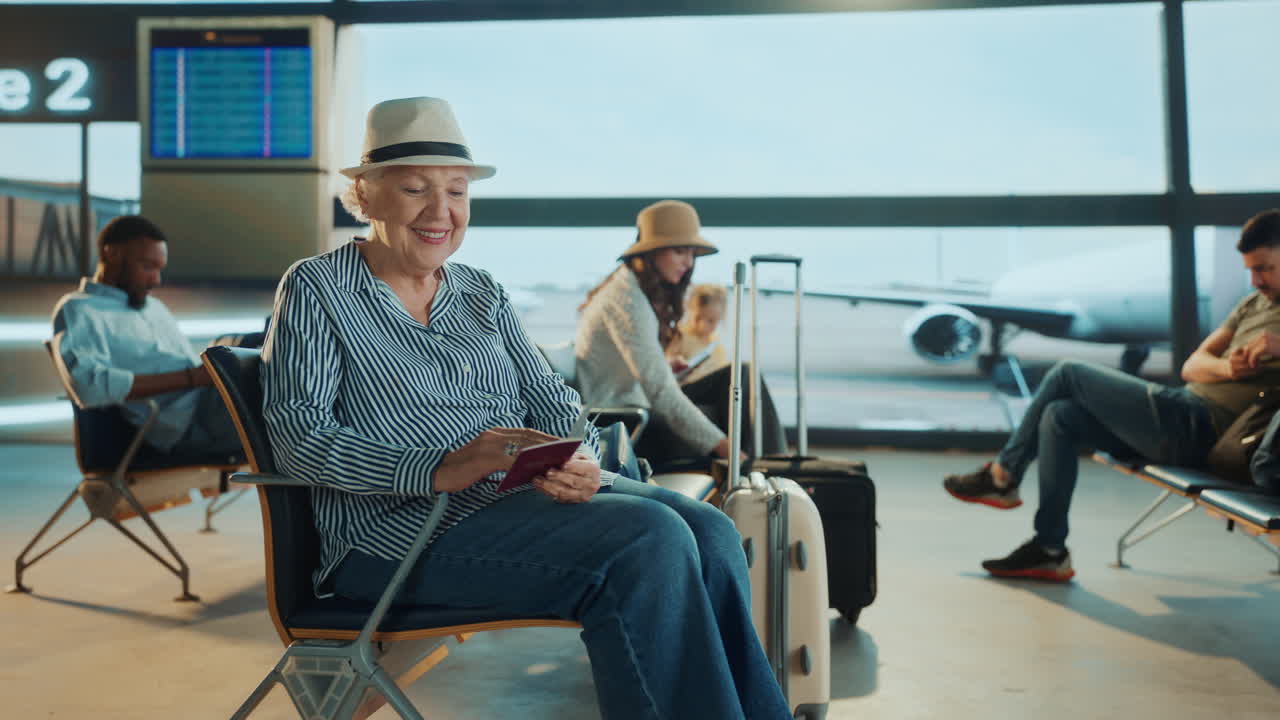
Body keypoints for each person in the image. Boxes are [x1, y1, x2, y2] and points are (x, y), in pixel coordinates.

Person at [259, 97, 790, 720]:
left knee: (713, 530)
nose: (441, 212)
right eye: (413, 190)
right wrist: (441, 466)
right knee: (649, 541)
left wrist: (584, 459)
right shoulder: (317, 288)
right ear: (366, 196)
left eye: (456, 192)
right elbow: (300, 438)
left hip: (513, 503)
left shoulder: (481, 291)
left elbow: (555, 401)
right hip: (399, 535)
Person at [944, 209, 1280, 582]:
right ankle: (1049, 549)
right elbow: (1193, 365)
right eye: (1250, 270)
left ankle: (1003, 474)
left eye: (1265, 268)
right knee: (1060, 415)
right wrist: (1227, 369)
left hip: (1207, 429)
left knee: (1068, 372)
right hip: (1180, 411)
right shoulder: (1253, 303)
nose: (1256, 280)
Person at [575, 200, 787, 466]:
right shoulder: (627, 301)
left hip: (638, 401)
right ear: (651, 253)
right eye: (679, 252)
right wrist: (725, 447)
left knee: (741, 376)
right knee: (722, 413)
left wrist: (663, 367)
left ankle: (766, 468)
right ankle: (768, 472)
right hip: (626, 419)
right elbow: (661, 393)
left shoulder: (633, 290)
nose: (688, 263)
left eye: (692, 254)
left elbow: (641, 373)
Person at [51, 215, 244, 458]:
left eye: (159, 269)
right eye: (147, 266)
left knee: (260, 347)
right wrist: (192, 379)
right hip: (188, 423)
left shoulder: (155, 307)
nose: (156, 280)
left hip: (211, 402)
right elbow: (89, 387)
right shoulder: (80, 309)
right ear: (112, 254)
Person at [670, 282, 730, 385]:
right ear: (689, 311)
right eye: (698, 318)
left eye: (711, 321)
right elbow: (665, 364)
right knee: (744, 370)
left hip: (711, 394)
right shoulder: (680, 336)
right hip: (687, 390)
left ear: (720, 319)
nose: (703, 326)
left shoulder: (717, 346)